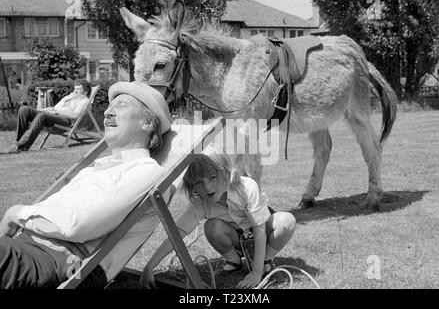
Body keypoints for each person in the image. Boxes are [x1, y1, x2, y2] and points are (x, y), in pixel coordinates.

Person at [0, 81, 172, 288]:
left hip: (51, 263)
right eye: (110, 106)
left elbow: (76, 225)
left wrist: (15, 213)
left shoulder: (147, 171)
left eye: (122, 105)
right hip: (24, 248)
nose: (108, 112)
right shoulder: (94, 169)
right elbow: (57, 218)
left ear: (148, 124)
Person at [140, 149, 297, 289]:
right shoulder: (199, 202)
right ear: (191, 186)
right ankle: (234, 260)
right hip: (235, 238)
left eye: (213, 177)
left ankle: (265, 260)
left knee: (287, 221)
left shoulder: (247, 187)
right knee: (212, 227)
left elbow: (260, 229)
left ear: (227, 172)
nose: (207, 188)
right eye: (198, 183)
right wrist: (149, 267)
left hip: (260, 233)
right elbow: (176, 234)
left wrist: (256, 272)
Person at [1, 80, 92, 154]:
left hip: (66, 121)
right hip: (53, 116)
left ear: (86, 91)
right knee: (24, 109)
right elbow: (55, 108)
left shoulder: (84, 101)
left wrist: (56, 111)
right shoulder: (69, 97)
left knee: (42, 116)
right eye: (74, 89)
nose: (75, 91)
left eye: (78, 89)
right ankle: (17, 143)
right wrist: (46, 110)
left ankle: (22, 146)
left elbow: (75, 116)